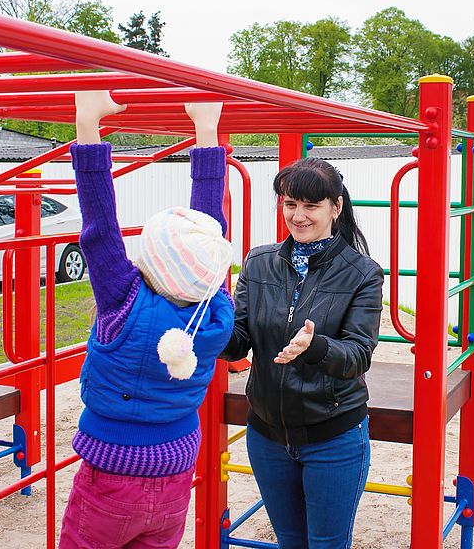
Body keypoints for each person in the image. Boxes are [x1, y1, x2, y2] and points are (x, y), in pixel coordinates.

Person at [58, 91, 234, 549]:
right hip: (176, 475)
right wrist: (207, 130)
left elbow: (100, 226)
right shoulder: (214, 304)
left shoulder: (124, 301)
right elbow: (209, 228)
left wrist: (87, 121)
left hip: (111, 476)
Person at [221, 157, 384, 549]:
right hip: (266, 433)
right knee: (290, 541)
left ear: (335, 207)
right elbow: (238, 341)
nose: (298, 216)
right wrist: (203, 322)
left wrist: (317, 347)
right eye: (290, 204)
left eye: (311, 206)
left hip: (333, 434)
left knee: (326, 543)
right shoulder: (259, 263)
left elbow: (358, 354)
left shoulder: (363, 273)